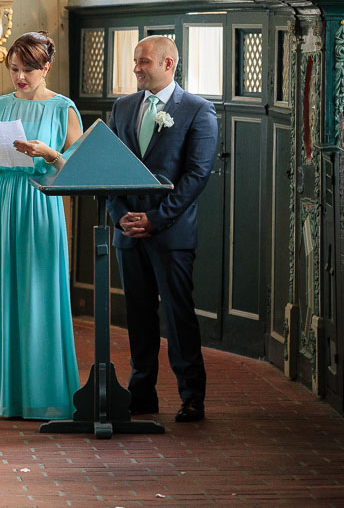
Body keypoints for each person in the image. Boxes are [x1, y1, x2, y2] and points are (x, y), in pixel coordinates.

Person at [0, 32, 82, 419]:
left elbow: (79, 170)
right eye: (14, 69)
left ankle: (42, 392)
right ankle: (5, 394)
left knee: (38, 290)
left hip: (40, 202)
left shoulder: (63, 108)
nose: (19, 77)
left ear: (45, 68)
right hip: (2, 201)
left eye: (27, 70)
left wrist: (49, 153)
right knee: (2, 290)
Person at [107, 35, 218, 423]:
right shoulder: (122, 108)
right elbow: (109, 168)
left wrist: (156, 219)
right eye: (136, 61)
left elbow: (197, 176)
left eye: (144, 62)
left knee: (178, 315)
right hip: (128, 232)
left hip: (170, 234)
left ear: (168, 64)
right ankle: (142, 394)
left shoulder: (197, 111)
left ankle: (191, 396)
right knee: (137, 316)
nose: (137, 68)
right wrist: (120, 214)